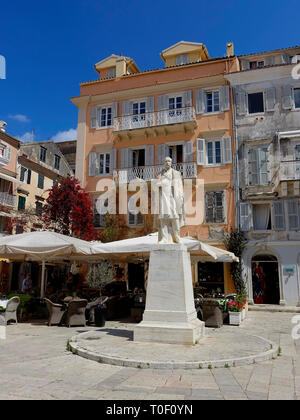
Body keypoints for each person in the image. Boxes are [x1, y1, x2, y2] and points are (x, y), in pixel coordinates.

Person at [154, 157, 185, 244]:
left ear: (171, 163)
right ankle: (164, 238)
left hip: (173, 198)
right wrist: (157, 185)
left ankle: (176, 237)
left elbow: (180, 187)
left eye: (169, 161)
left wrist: (181, 197)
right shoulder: (159, 175)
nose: (167, 162)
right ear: (163, 163)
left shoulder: (176, 173)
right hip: (163, 198)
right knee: (163, 218)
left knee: (175, 218)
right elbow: (155, 187)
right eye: (166, 161)